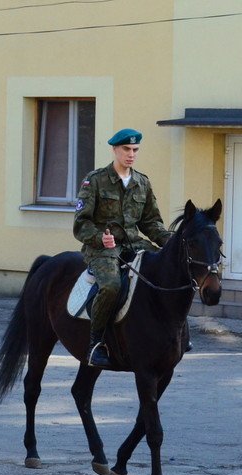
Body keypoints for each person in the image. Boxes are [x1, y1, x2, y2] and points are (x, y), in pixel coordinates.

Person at [73, 128, 172, 368]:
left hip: (134, 244)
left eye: (135, 150)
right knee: (111, 286)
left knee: (169, 273)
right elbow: (81, 223)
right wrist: (100, 238)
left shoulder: (142, 182)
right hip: (103, 249)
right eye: (126, 149)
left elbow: (151, 223)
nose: (131, 154)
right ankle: (96, 343)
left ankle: (172, 334)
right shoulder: (95, 180)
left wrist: (171, 242)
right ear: (115, 150)